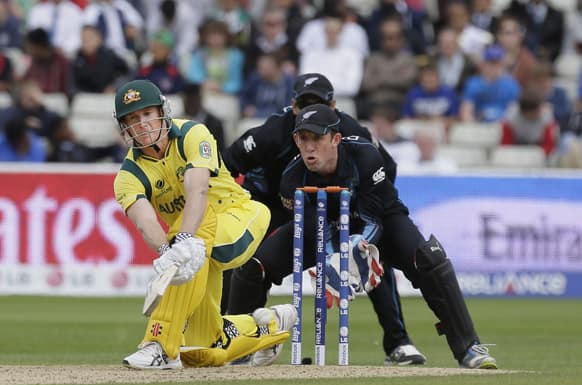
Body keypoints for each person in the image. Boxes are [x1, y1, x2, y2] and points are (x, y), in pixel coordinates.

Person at [263, 103, 497, 369]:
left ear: (335, 139)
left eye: (316, 138)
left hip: (383, 221)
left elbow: (373, 218)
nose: (310, 147)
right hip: (327, 227)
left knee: (430, 259)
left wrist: (357, 246)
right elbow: (310, 228)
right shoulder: (291, 179)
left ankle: (468, 348)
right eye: (303, 139)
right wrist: (330, 257)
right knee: (254, 266)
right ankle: (239, 347)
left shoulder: (365, 156)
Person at [223, 73, 427, 366]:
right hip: (269, 207)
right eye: (304, 104)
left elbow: (386, 169)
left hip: (329, 205)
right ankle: (236, 341)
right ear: (292, 106)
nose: (309, 112)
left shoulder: (349, 129)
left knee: (366, 260)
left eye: (318, 104)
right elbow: (225, 164)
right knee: (242, 259)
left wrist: (367, 204)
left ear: (333, 107)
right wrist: (232, 206)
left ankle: (398, 342)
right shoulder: (272, 132)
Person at [112, 79, 297, 369]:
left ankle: (159, 343)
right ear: (125, 128)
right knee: (204, 350)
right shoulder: (128, 175)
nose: (143, 124)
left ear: (162, 111)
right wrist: (167, 253)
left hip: (240, 218)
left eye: (147, 114)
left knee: (192, 231)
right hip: (196, 251)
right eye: (133, 119)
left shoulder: (192, 133)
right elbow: (144, 219)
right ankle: (269, 326)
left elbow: (197, 190)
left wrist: (182, 240)